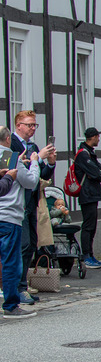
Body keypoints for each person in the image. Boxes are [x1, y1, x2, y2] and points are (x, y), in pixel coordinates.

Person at [11, 112, 56, 301]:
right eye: (29, 125)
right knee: (22, 245)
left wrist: (50, 163)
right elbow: (21, 174)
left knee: (31, 244)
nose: (32, 129)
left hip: (32, 201)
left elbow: (40, 176)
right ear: (18, 125)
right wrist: (37, 160)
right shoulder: (12, 144)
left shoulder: (33, 147)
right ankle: (18, 288)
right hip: (17, 202)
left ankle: (23, 285)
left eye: (34, 125)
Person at [0, 125, 40, 318]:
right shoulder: (11, 157)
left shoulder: (8, 158)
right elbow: (30, 182)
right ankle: (11, 305)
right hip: (9, 216)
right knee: (10, 262)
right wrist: (34, 163)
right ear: (8, 139)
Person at [75, 127, 101, 270]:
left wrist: (98, 172)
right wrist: (98, 173)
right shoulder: (83, 154)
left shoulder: (89, 153)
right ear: (92, 137)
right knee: (88, 226)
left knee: (92, 226)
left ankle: (90, 254)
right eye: (98, 137)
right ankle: (86, 256)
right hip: (87, 194)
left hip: (92, 194)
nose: (99, 139)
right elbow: (97, 172)